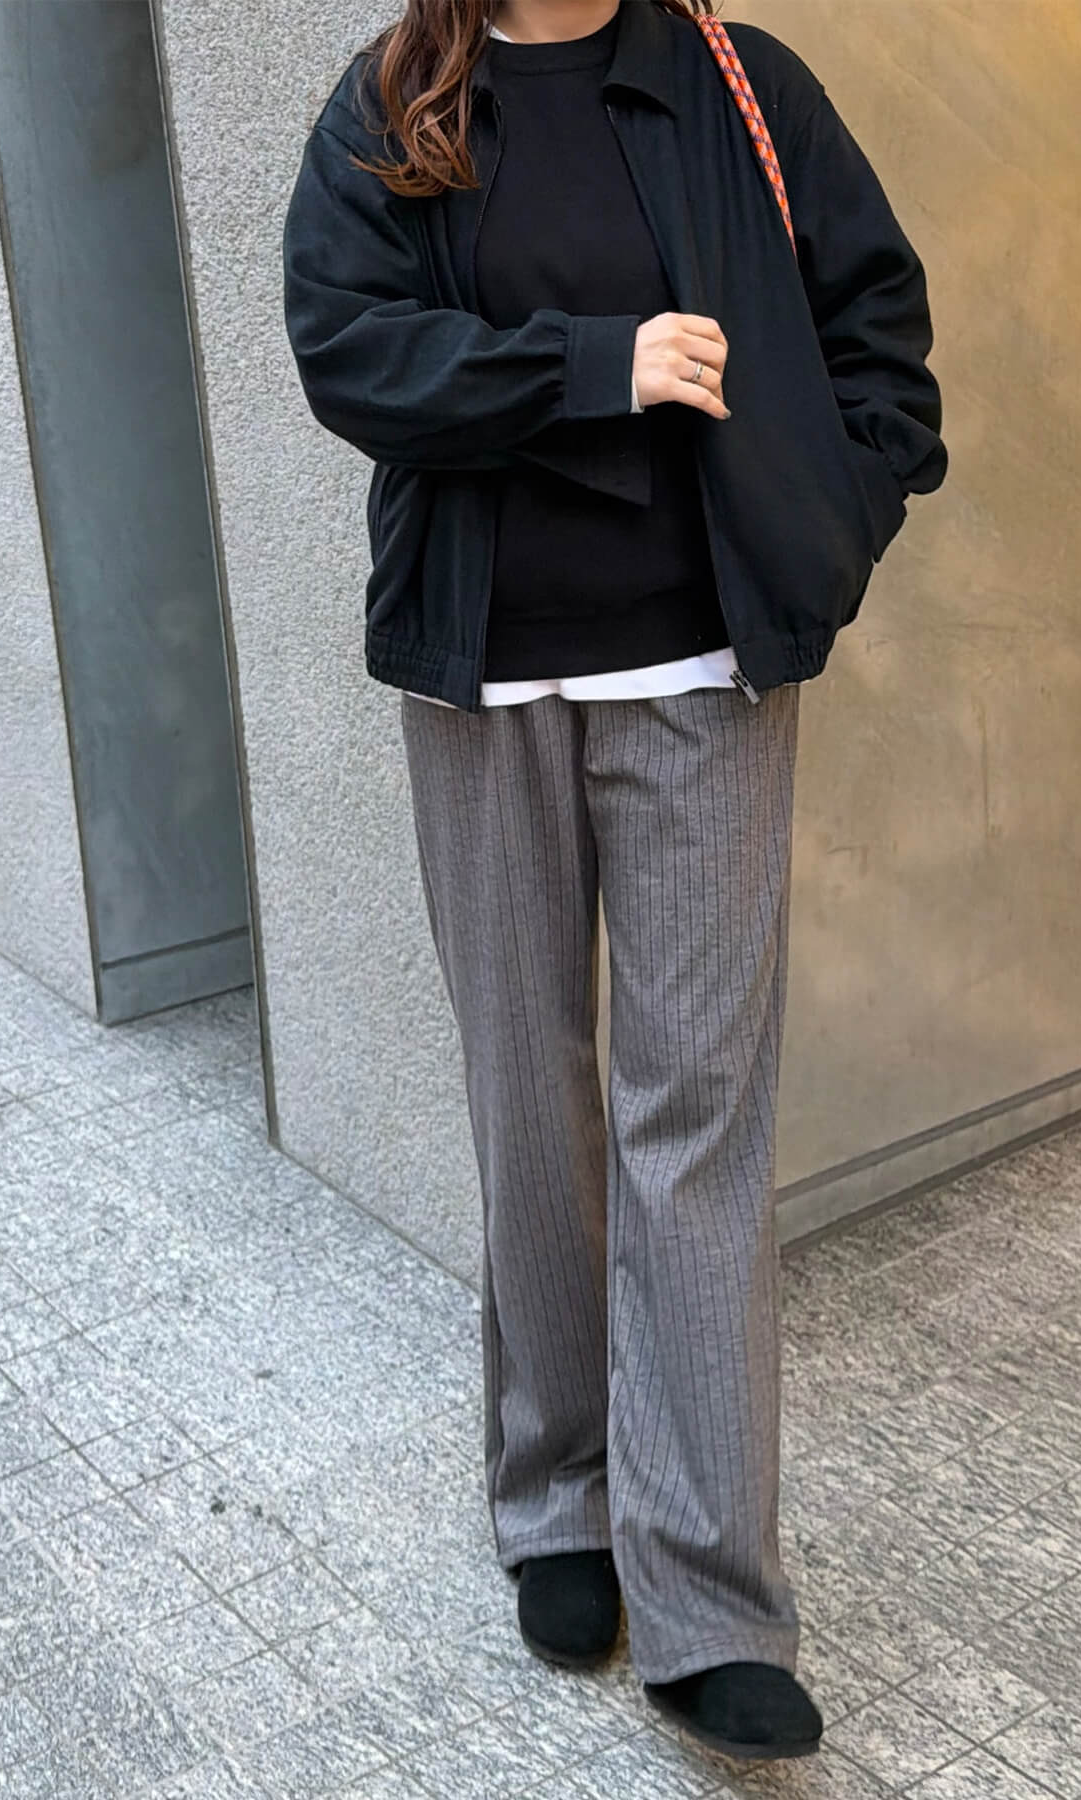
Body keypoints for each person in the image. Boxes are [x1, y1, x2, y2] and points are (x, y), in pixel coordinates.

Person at [283, 0, 945, 1762]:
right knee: (530, 1091)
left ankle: (710, 1594)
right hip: (485, 675)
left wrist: (836, 513)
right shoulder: (398, 94)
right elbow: (348, 352)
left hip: (704, 677)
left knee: (695, 1113)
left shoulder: (740, 81)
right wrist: (597, 365)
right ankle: (559, 1503)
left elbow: (877, 329)